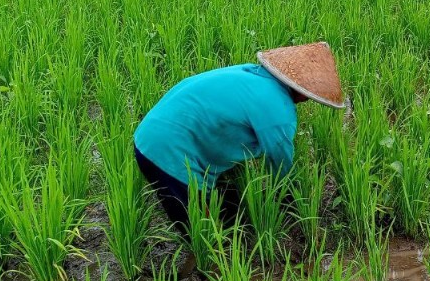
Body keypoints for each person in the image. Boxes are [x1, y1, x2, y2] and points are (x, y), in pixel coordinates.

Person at [133, 41, 344, 235]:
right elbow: (281, 169)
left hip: (148, 134)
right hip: (166, 153)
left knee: (221, 205)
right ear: (305, 92)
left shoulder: (248, 73)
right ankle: (213, 270)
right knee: (204, 234)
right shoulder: (279, 111)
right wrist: (295, 205)